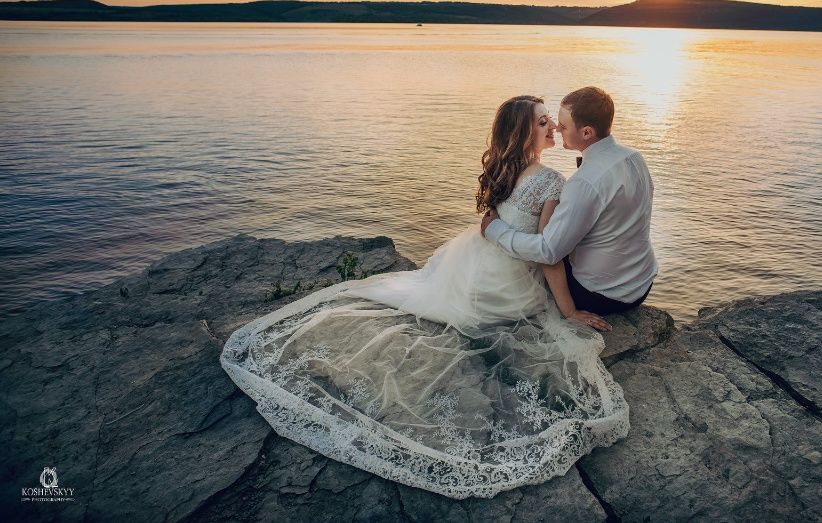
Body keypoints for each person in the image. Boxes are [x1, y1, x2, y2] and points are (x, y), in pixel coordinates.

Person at [220, 95, 629, 500]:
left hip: (474, 263)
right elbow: (549, 258)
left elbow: (503, 228)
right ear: (524, 133)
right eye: (543, 122)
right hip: (504, 282)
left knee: (417, 291)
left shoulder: (507, 170)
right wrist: (569, 310)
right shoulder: (550, 181)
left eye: (551, 121)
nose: (553, 127)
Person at [482, 86, 658, 315]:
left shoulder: (583, 183)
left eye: (563, 126)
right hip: (642, 282)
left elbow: (549, 251)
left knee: (541, 251)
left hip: (603, 294)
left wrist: (496, 230)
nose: (556, 128)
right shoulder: (635, 158)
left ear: (586, 133)